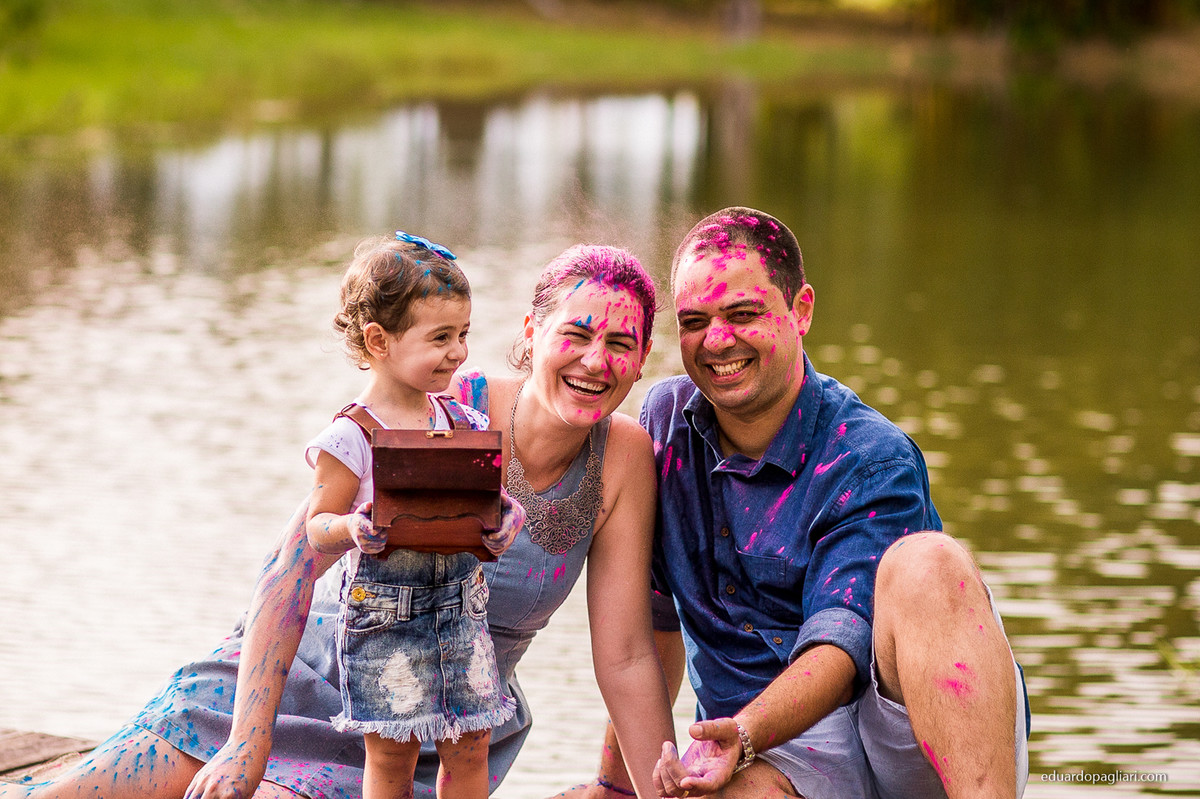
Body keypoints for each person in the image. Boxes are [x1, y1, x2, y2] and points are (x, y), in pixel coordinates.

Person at [0, 244, 676, 799]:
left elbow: (625, 654)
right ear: (532, 334)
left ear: (643, 356)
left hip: (423, 720)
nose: (597, 360)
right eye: (577, 333)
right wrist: (247, 740)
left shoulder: (621, 457)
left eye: (621, 342)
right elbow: (289, 567)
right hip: (291, 672)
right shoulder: (444, 404)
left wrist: (658, 792)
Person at [574, 207, 1029, 799]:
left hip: (900, 728)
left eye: (743, 314)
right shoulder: (664, 430)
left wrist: (744, 731)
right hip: (767, 749)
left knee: (929, 564)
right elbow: (652, 631)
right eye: (695, 320)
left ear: (802, 311)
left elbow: (839, 652)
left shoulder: (869, 456)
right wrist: (614, 786)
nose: (717, 340)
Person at [302, 231, 518, 799]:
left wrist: (505, 521)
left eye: (464, 334)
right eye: (441, 337)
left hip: (462, 614)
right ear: (379, 339)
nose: (459, 352)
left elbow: (492, 502)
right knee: (393, 755)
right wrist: (351, 527)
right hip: (385, 619)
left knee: (472, 747)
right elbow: (316, 528)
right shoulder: (352, 436)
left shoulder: (462, 422)